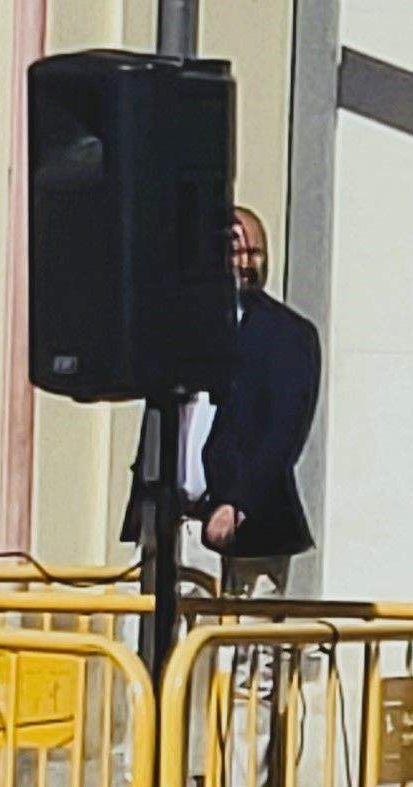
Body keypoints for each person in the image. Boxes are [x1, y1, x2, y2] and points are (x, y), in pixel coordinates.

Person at [125, 206, 319, 594]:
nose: (246, 264)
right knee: (153, 644)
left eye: (256, 254)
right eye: (235, 252)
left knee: (243, 651)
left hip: (249, 529)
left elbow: (284, 434)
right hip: (170, 522)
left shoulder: (288, 334)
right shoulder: (178, 327)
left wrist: (237, 504)